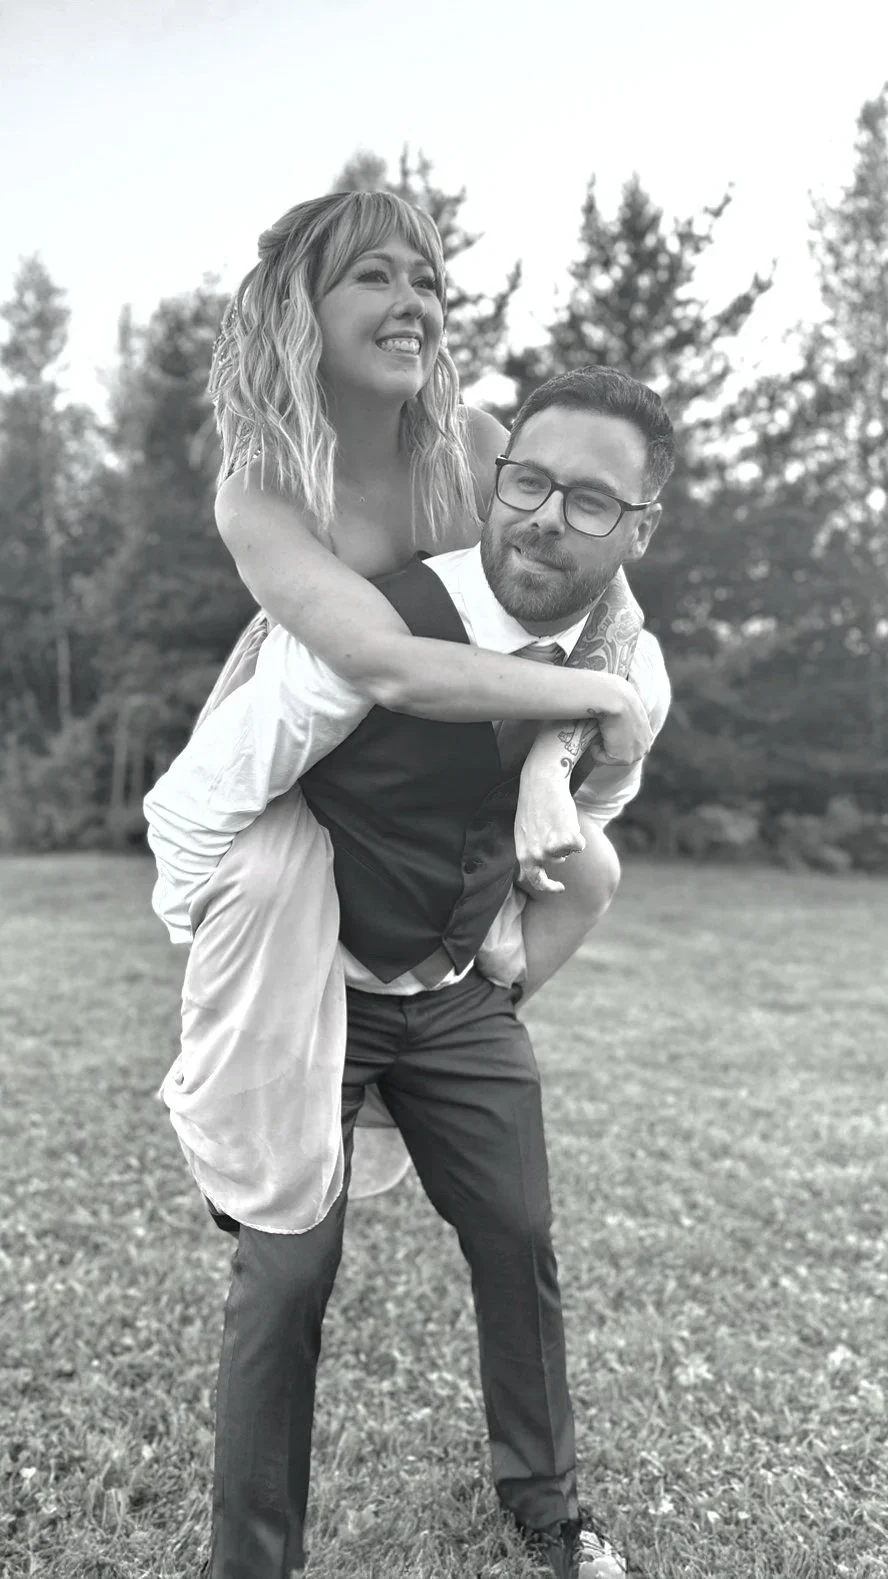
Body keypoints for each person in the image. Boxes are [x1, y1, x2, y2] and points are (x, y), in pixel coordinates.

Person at [145, 364, 674, 1579]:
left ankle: (544, 1500)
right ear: (493, 475)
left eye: (592, 501)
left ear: (641, 529)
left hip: (454, 1001)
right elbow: (191, 812)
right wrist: (242, 985)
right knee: (287, 1278)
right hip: (311, 993)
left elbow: (604, 803)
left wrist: (551, 772)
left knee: (518, 1228)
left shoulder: (629, 674)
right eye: (529, 479)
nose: (546, 515)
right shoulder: (371, 624)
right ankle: (252, 1563)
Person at [161, 189, 654, 1216]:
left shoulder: (472, 444)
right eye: (375, 275)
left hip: (440, 765)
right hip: (303, 769)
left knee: (589, 868)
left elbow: (607, 607)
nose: (412, 303)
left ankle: (418, 1060)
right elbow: (384, 664)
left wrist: (546, 762)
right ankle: (235, 1131)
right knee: (259, 909)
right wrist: (592, 695)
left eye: (426, 279)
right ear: (302, 306)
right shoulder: (261, 487)